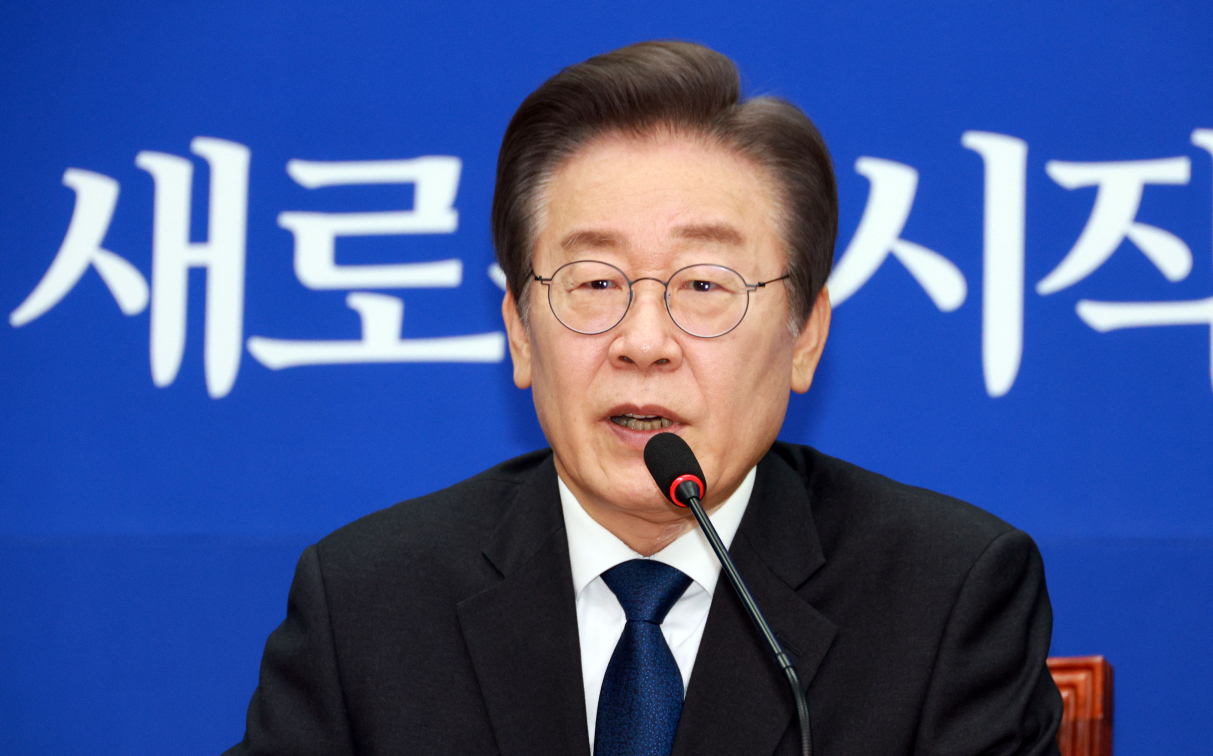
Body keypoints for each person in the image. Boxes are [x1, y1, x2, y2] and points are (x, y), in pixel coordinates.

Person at [224, 40, 1063, 756]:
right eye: (594, 282)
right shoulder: (369, 604)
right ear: (519, 332)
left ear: (805, 334)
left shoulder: (946, 597)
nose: (644, 340)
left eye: (704, 284)